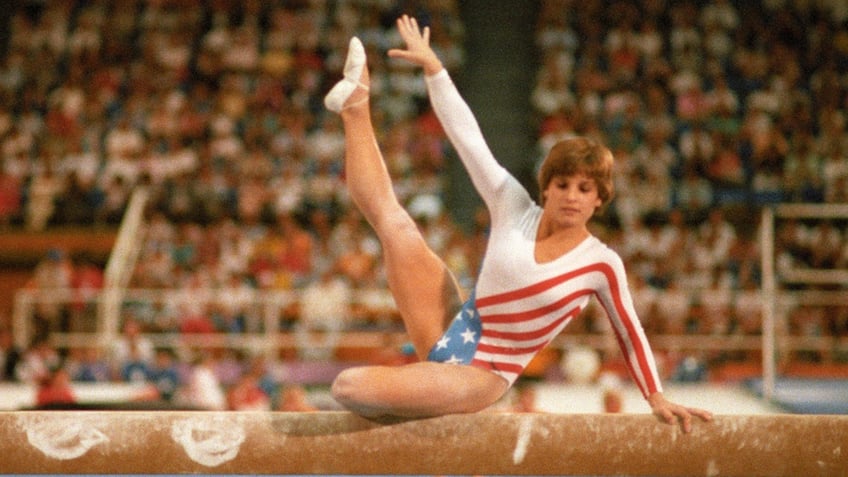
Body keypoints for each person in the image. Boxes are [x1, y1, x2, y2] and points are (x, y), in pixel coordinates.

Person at [323, 15, 712, 432]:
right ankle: (356, 106)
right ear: (546, 188)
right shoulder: (513, 205)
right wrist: (435, 69)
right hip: (455, 324)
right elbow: (469, 140)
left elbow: (629, 331)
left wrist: (656, 397)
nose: (571, 196)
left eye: (585, 189)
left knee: (349, 387)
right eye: (563, 184)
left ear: (600, 200)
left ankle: (433, 414)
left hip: (483, 376)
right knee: (396, 226)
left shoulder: (601, 263)